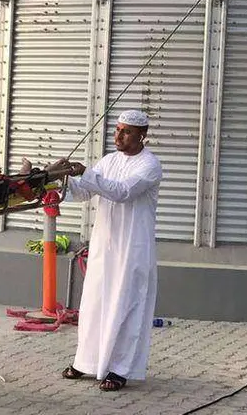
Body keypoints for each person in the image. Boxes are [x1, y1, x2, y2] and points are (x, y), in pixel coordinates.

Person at [58, 109, 162, 392]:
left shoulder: (150, 165)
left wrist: (85, 172)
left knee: (126, 306)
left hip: (132, 249)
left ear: (142, 135)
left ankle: (120, 369)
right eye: (117, 130)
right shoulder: (108, 160)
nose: (118, 136)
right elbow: (83, 192)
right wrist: (64, 178)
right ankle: (86, 362)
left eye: (126, 131)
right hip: (104, 246)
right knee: (94, 303)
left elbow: (122, 191)